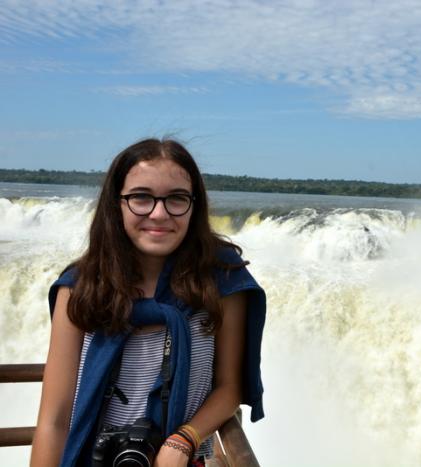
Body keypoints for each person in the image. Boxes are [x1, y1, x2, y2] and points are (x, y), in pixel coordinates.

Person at [30, 138, 266, 467]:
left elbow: (230, 386)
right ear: (117, 204)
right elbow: (54, 418)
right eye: (141, 197)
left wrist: (185, 439)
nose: (159, 213)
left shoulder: (222, 281)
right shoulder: (81, 288)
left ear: (194, 205)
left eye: (176, 199)